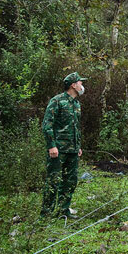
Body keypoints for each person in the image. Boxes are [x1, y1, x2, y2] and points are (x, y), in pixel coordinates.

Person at [41, 72, 87, 218]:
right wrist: (51, 145)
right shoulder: (57, 101)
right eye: (80, 83)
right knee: (53, 180)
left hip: (72, 149)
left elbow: (75, 126)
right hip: (58, 149)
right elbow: (47, 125)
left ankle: (63, 211)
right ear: (73, 85)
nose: (82, 85)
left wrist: (77, 145)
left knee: (70, 181)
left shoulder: (76, 104)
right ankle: (46, 214)